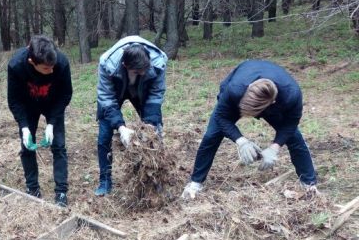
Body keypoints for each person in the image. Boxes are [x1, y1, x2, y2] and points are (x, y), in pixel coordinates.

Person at [182, 60, 318, 199]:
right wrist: (241, 141)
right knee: (211, 136)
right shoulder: (235, 89)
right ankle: (195, 182)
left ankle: (309, 184)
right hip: (236, 100)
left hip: (274, 105)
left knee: (294, 138)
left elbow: (291, 123)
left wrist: (275, 147)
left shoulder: (291, 95)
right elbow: (221, 117)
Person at [95, 36, 168, 196]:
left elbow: (156, 94)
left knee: (155, 134)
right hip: (115, 90)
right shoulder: (107, 64)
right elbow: (106, 99)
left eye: (144, 70)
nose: (142, 72)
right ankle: (105, 180)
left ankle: (155, 179)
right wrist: (121, 128)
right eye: (137, 71)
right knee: (104, 134)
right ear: (125, 65)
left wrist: (149, 125)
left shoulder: (158, 63)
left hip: (143, 92)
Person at [7, 35, 73, 207]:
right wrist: (24, 127)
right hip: (28, 105)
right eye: (46, 68)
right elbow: (14, 100)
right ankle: (33, 188)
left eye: (53, 67)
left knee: (58, 145)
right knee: (27, 146)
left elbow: (66, 94)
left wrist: (51, 123)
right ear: (31, 62)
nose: (51, 71)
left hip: (53, 103)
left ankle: (61, 193)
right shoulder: (16, 66)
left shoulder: (61, 63)